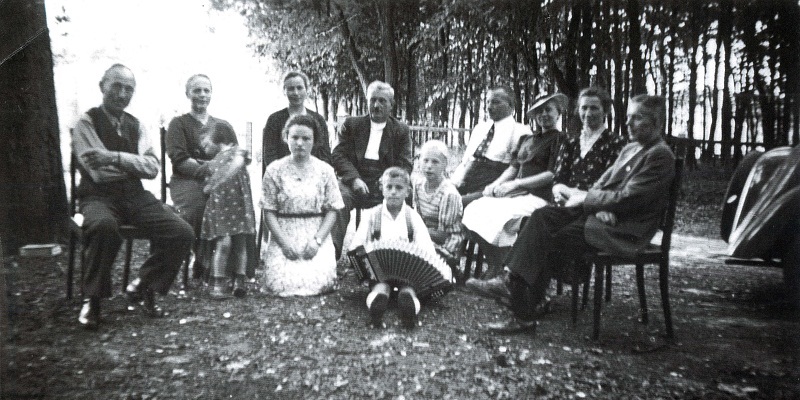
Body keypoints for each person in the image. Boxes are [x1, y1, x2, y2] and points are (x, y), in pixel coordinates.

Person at [468, 94, 675, 334]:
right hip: (602, 214)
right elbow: (601, 182)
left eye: (637, 118)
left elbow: (631, 198)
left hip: (625, 227)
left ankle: (518, 300)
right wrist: (599, 204)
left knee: (550, 239)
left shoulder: (659, 155)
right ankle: (513, 283)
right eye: (628, 117)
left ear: (657, 121)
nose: (628, 124)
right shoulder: (631, 148)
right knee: (542, 217)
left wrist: (594, 202)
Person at [72, 64, 194, 329]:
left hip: (135, 196)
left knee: (181, 231)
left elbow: (152, 168)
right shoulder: (86, 121)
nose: (122, 94)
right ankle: (92, 300)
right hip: (98, 196)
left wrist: (114, 157)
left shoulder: (136, 125)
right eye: (116, 86)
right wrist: (132, 163)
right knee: (104, 226)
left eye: (129, 89)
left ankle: (142, 284)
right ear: (102, 86)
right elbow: (99, 172)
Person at [461, 93, 567, 263]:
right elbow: (513, 167)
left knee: (498, 215)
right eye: (539, 111)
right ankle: (497, 263)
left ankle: (503, 269)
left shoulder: (561, 139)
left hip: (539, 196)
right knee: (474, 208)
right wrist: (495, 185)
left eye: (548, 110)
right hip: (517, 194)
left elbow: (551, 174)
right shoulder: (527, 139)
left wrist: (516, 183)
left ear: (558, 113)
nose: (544, 114)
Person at [350, 167, 449, 329]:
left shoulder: (413, 218)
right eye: (389, 187)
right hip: (379, 272)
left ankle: (408, 309)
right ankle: (377, 305)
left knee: (409, 289)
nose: (393, 192)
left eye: (399, 188)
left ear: (408, 192)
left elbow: (427, 251)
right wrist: (364, 269)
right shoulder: (371, 215)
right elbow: (356, 248)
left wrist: (420, 267)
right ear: (382, 189)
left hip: (408, 274)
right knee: (379, 287)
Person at [261, 114, 344, 296]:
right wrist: (283, 243)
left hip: (315, 232)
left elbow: (332, 210)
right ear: (286, 138)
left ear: (314, 141)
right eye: (295, 137)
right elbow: (268, 211)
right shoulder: (274, 170)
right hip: (285, 233)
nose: (300, 143)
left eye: (306, 138)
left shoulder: (325, 170)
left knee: (320, 282)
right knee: (281, 283)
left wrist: (317, 242)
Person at [166, 74, 238, 280]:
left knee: (232, 205)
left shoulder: (222, 125)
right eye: (197, 90)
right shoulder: (178, 124)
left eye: (206, 90)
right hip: (187, 181)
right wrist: (211, 168)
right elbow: (180, 160)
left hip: (221, 180)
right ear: (188, 93)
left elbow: (234, 154)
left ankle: (228, 266)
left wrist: (222, 174)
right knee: (199, 206)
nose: (202, 95)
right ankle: (201, 259)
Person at [331, 81, 413, 259]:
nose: (376, 105)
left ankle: (396, 255)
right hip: (354, 179)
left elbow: (405, 163)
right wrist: (354, 179)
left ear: (391, 105)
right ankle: (331, 255)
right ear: (367, 101)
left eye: (382, 101)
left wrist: (386, 183)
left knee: (406, 198)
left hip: (384, 180)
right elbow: (338, 155)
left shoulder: (401, 130)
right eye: (373, 100)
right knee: (338, 199)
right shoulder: (351, 125)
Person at [200, 123, 256, 298]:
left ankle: (240, 282)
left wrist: (214, 182)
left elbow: (237, 164)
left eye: (205, 140)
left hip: (239, 205)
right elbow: (204, 184)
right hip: (221, 207)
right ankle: (218, 282)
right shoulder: (212, 162)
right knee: (223, 243)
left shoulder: (238, 152)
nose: (203, 145)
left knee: (240, 243)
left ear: (218, 135)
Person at [450, 86, 532, 206]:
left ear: (511, 105)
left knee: (456, 203)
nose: (489, 106)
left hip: (490, 185)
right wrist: (452, 183)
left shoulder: (520, 131)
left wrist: (494, 188)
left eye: (495, 102)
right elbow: (465, 161)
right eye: (487, 102)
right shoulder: (480, 129)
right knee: (440, 197)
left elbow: (516, 169)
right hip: (465, 180)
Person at [262, 70, 331, 171]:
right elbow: (270, 155)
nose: (296, 93)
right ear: (284, 91)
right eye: (291, 89)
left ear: (306, 90)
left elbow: (325, 155)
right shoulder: (274, 120)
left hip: (313, 178)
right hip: (282, 177)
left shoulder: (318, 120)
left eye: (299, 88)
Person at [411, 140, 465, 269]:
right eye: (425, 160)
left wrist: (418, 233)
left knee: (417, 257)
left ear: (445, 164)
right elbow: (418, 218)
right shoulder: (418, 185)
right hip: (425, 234)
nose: (429, 166)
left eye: (435, 162)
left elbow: (443, 234)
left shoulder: (448, 194)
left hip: (446, 241)